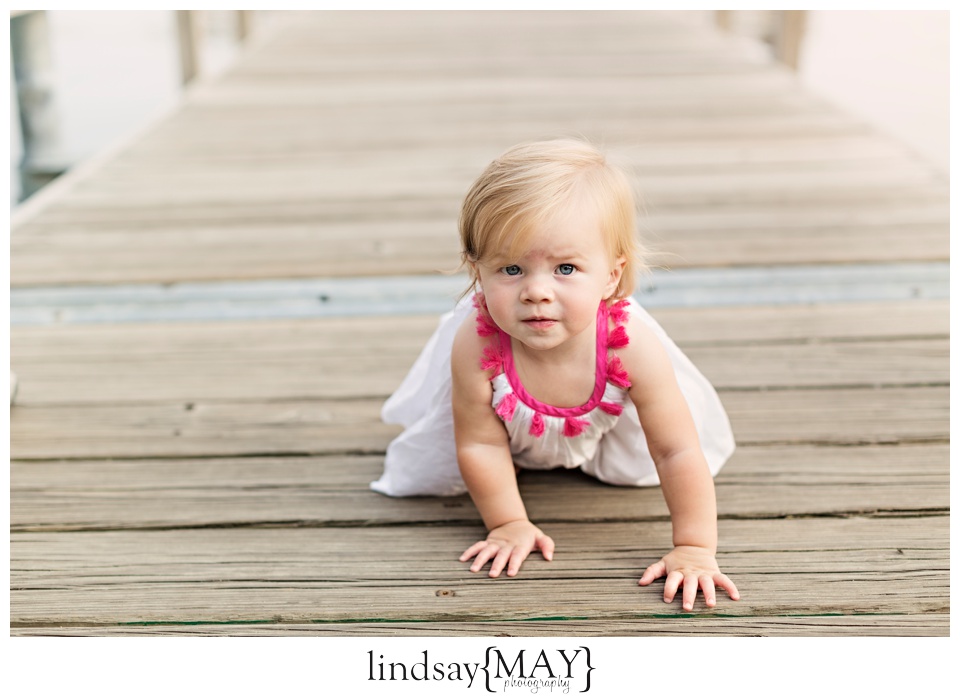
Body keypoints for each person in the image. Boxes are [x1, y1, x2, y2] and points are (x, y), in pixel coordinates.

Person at [371, 139, 739, 611]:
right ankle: (522, 462)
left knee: (630, 473)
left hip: (607, 435)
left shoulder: (630, 345)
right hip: (511, 432)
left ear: (611, 275)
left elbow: (675, 449)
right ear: (477, 272)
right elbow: (479, 442)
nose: (537, 292)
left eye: (566, 268)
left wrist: (694, 547)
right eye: (511, 268)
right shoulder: (479, 343)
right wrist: (508, 522)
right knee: (479, 460)